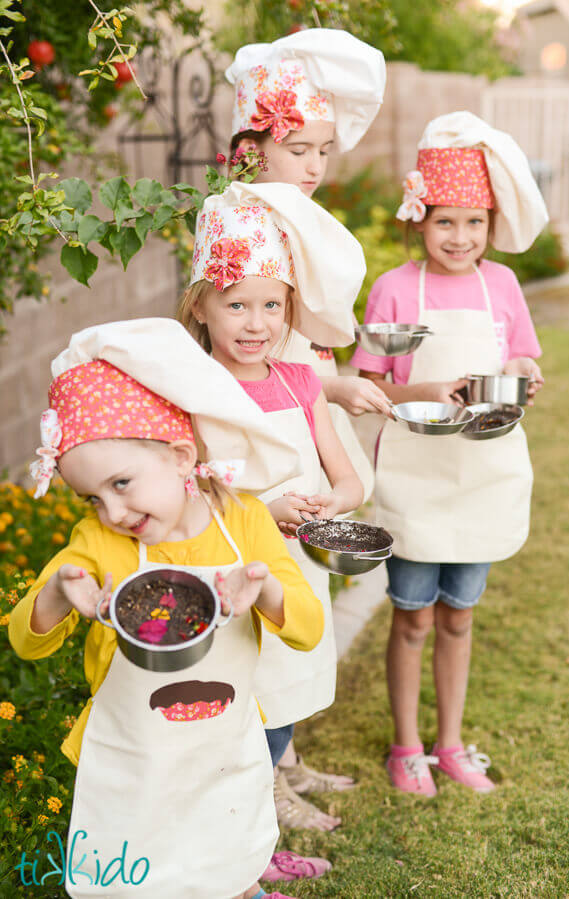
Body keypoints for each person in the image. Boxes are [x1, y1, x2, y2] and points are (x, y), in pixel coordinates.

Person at [9, 318, 326, 899]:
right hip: (135, 756)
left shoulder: (246, 522)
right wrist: (56, 593)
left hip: (221, 740)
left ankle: (239, 885)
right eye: (93, 497)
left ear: (182, 457)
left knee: (220, 843)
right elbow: (26, 642)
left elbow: (307, 629)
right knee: (146, 873)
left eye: (122, 483)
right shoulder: (97, 544)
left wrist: (267, 589)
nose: (112, 510)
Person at [351, 111, 548, 796]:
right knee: (412, 618)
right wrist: (431, 388)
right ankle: (407, 746)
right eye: (444, 223)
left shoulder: (503, 288)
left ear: (490, 225)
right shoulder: (396, 289)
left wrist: (524, 369)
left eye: (474, 223)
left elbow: (519, 353)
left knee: (458, 617)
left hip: (482, 475)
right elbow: (369, 382)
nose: (459, 238)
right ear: (417, 220)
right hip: (419, 474)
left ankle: (452, 743)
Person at [224, 31, 391, 830]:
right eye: (299, 147)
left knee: (303, 615)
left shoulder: (294, 213)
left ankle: (285, 759)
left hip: (301, 412)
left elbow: (296, 343)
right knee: (268, 627)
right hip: (264, 433)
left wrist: (328, 386)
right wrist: (335, 382)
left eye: (324, 148)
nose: (316, 164)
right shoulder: (241, 218)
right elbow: (247, 353)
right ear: (252, 145)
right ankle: (267, 778)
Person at [178, 180, 369, 834]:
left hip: (296, 563)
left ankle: (272, 785)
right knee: (242, 693)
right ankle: (250, 817)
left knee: (288, 681)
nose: (256, 323)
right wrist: (267, 507)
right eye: (237, 304)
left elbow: (347, 480)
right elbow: (191, 489)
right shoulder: (195, 389)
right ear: (201, 306)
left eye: (270, 305)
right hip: (232, 572)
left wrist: (326, 505)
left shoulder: (301, 380)